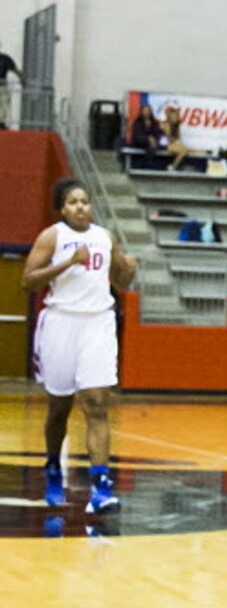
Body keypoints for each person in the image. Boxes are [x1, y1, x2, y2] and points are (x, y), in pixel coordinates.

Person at [22, 178, 137, 514]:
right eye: (73, 202)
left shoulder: (104, 237)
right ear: (62, 208)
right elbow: (27, 280)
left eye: (84, 201)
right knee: (59, 407)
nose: (80, 207)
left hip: (97, 324)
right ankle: (53, 470)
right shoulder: (53, 236)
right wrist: (69, 262)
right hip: (61, 323)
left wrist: (129, 266)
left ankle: (101, 488)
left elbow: (122, 280)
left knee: (97, 403)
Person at [160, 103, 189, 172]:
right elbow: (169, 139)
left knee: (188, 150)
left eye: (176, 116)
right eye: (173, 116)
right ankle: (173, 166)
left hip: (174, 144)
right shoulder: (166, 124)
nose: (175, 117)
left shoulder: (177, 125)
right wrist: (177, 143)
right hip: (167, 145)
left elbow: (179, 138)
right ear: (170, 116)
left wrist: (179, 143)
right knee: (184, 151)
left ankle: (176, 166)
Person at [0, 40, 22, 128]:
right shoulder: (5, 59)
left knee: (3, 106)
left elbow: (15, 70)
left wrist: (23, 79)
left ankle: (1, 124)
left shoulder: (5, 59)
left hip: (2, 87)